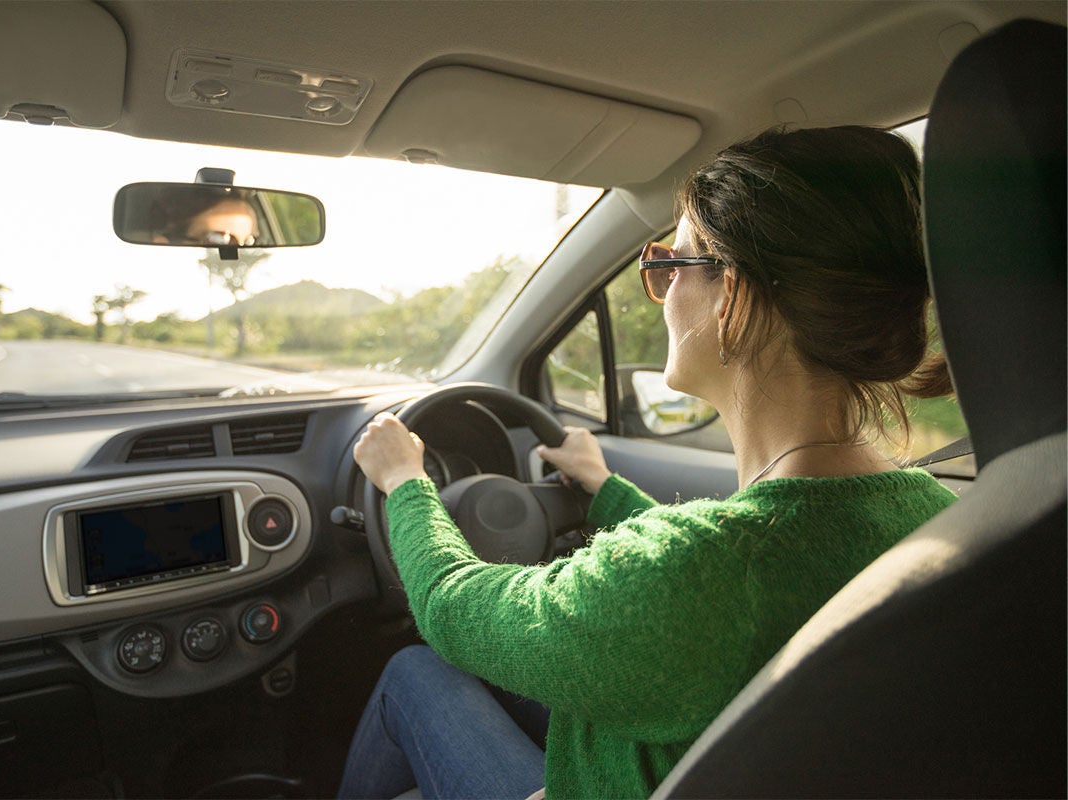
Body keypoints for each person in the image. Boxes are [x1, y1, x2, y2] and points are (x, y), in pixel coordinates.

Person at [341, 125, 958, 800]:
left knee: (413, 672)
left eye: (674, 263)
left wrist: (404, 480)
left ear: (735, 298)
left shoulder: (697, 575)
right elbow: (707, 583)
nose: (660, 293)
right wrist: (603, 487)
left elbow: (449, 606)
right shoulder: (933, 514)